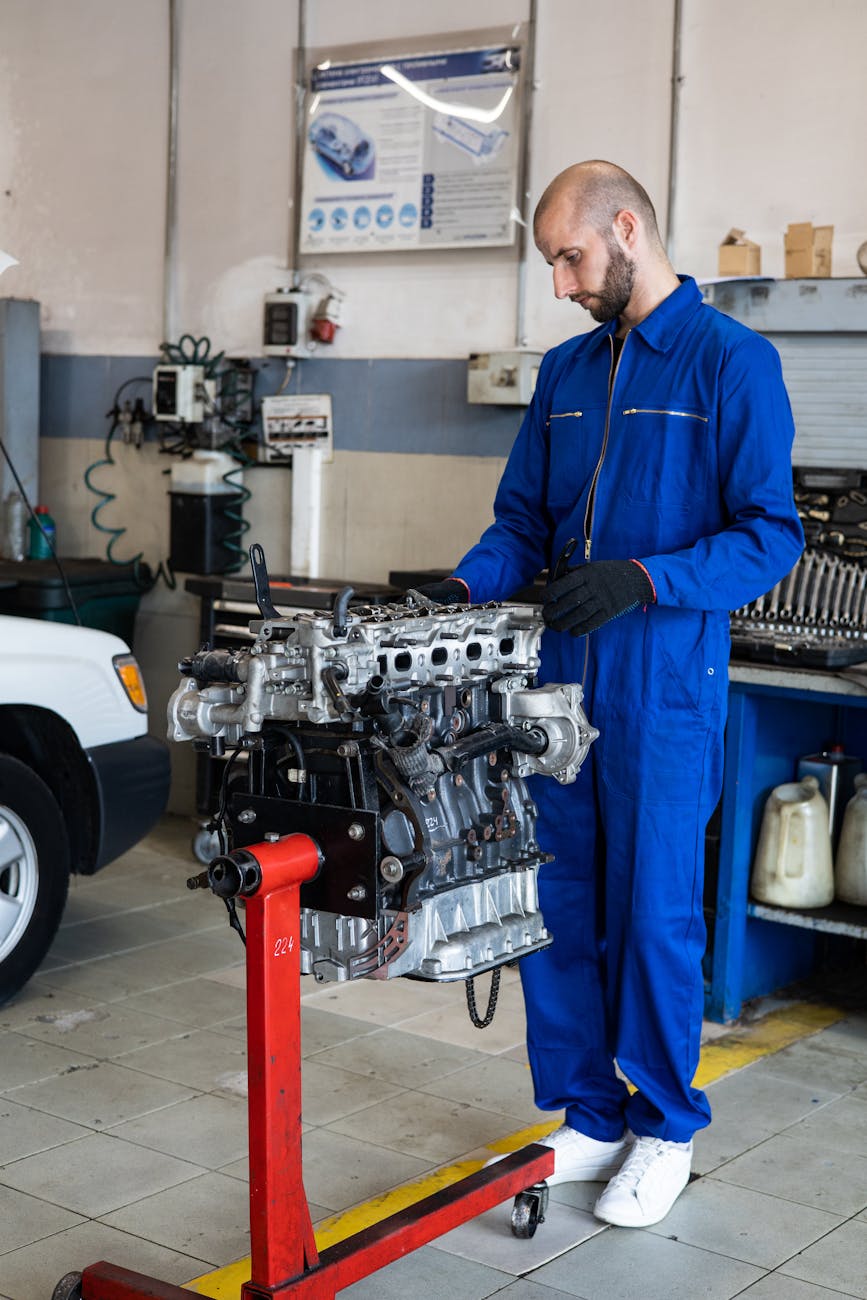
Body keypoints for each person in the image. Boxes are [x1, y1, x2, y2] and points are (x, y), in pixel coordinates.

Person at [415, 160, 804, 1228]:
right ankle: (590, 1112)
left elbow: (771, 533)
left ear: (627, 229)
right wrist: (458, 585)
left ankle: (666, 1126)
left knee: (654, 915)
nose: (561, 283)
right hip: (560, 689)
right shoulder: (568, 372)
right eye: (553, 263)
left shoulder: (734, 365)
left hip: (663, 690)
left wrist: (645, 578)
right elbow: (522, 524)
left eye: (571, 257)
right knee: (560, 907)